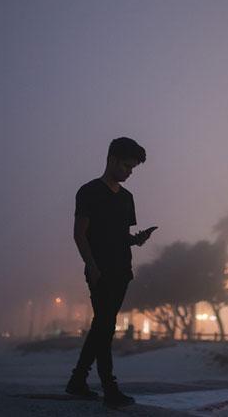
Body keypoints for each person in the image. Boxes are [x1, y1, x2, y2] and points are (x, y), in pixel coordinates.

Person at [65, 137, 157, 407]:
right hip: (100, 271)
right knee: (105, 327)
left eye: (133, 168)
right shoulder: (89, 191)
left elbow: (119, 236)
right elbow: (79, 234)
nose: (130, 172)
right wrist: (91, 266)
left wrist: (137, 239)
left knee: (102, 326)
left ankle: (78, 381)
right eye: (127, 166)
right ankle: (109, 388)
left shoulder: (127, 198)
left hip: (122, 270)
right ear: (112, 160)